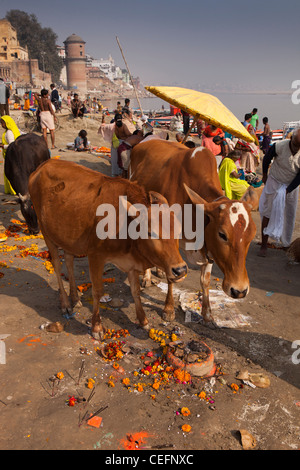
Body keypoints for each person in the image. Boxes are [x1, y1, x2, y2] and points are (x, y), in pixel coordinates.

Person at [258, 129, 300, 257]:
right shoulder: (279, 146)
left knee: (289, 213)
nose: (296, 148)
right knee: (268, 212)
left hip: (291, 186)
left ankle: (285, 243)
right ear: (291, 139)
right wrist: (264, 175)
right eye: (294, 145)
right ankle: (264, 244)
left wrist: (288, 190)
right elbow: (266, 159)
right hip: (275, 181)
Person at [0, 115, 21, 194]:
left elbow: (12, 145)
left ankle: (13, 190)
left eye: (3, 123)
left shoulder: (9, 132)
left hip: (11, 156)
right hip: (11, 156)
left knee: (11, 173)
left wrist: (3, 146)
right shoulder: (9, 131)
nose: (2, 125)